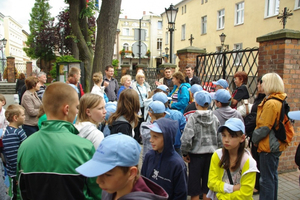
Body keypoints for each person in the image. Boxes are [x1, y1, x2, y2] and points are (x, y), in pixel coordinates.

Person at [17, 82, 101, 199]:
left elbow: (20, 191)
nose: (77, 111)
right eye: (76, 107)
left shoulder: (25, 146)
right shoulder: (84, 147)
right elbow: (97, 192)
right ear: (66, 109)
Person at [76, 133, 168, 200]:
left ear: (131, 173)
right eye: (99, 172)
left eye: (108, 175)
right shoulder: (111, 189)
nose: (98, 181)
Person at [252, 72, 288, 200]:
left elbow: (264, 127)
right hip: (275, 143)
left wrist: (254, 139)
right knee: (272, 176)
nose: (261, 84)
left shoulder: (271, 103)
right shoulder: (279, 99)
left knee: (266, 180)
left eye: (263, 82)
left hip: (268, 145)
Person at [181, 90, 221, 200]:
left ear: (196, 103)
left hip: (196, 155)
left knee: (194, 186)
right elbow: (220, 137)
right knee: (207, 186)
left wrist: (185, 152)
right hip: (212, 155)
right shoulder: (214, 118)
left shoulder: (193, 118)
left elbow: (187, 137)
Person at [207, 118, 259, 200]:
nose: (226, 140)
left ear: (242, 138)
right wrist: (233, 188)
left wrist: (222, 197)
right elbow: (211, 183)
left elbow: (245, 194)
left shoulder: (248, 162)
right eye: (224, 135)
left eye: (232, 136)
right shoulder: (217, 155)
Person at [141, 118, 188, 200]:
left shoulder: (177, 164)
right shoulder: (149, 156)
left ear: (167, 138)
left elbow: (181, 194)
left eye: (155, 137)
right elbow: (143, 183)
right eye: (151, 136)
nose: (151, 140)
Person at [244, 77, 265, 195]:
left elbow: (262, 122)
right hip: (254, 134)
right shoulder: (260, 98)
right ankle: (257, 184)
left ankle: (258, 186)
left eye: (260, 84)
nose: (258, 86)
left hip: (258, 136)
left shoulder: (267, 100)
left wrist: (255, 136)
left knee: (260, 164)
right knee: (257, 160)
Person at [2, 104, 27, 200]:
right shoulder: (12, 134)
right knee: (16, 194)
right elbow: (12, 155)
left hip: (20, 171)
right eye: (23, 115)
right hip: (16, 172)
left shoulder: (16, 131)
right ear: (15, 118)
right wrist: (16, 174)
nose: (25, 117)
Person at [131, 72, 151, 143]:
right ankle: (136, 137)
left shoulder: (146, 86)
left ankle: (142, 137)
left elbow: (149, 95)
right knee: (137, 122)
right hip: (137, 106)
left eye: (142, 77)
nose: (141, 79)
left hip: (145, 107)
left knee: (144, 121)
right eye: (139, 77)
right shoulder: (134, 86)